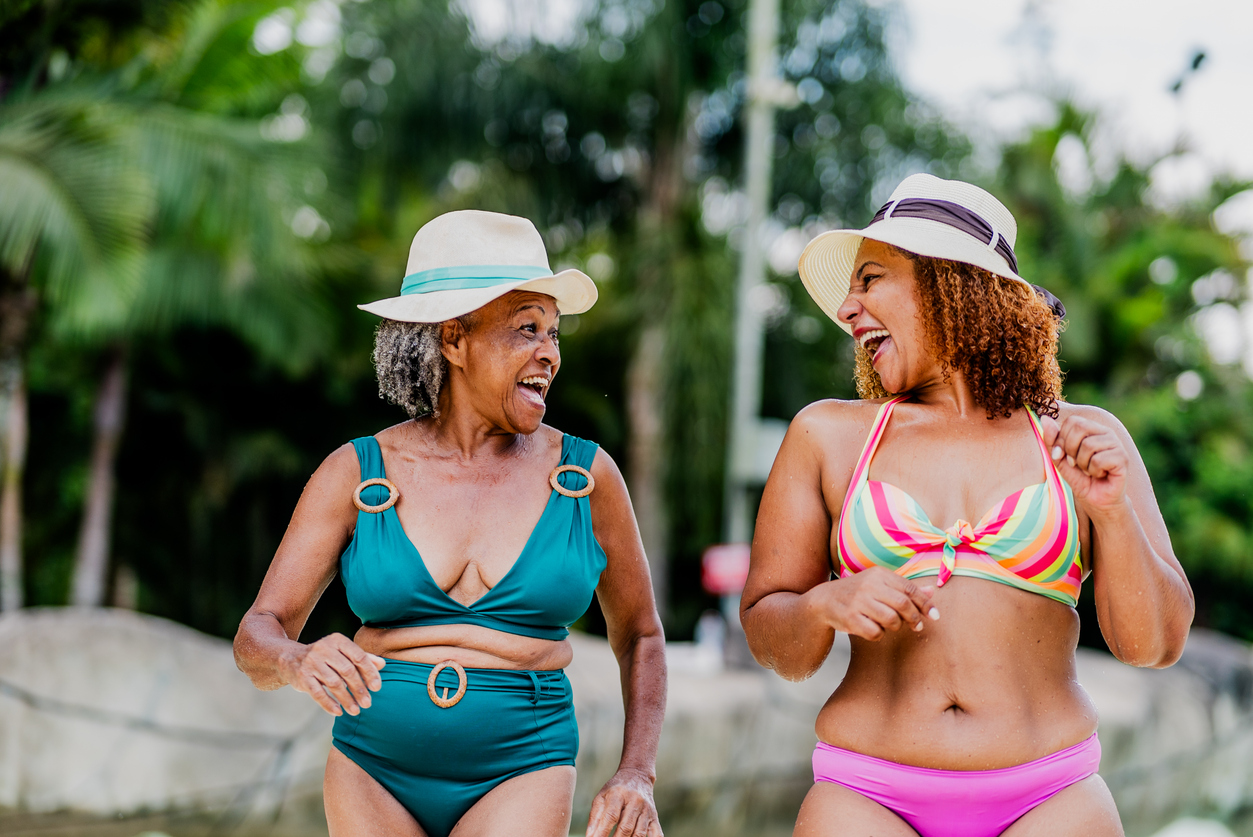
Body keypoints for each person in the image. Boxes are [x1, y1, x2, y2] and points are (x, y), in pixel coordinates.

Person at [740, 174, 1193, 837]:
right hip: (866, 793)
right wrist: (821, 604)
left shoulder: (1079, 441)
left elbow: (1153, 644)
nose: (846, 307)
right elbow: (776, 641)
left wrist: (1112, 512)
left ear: (949, 283)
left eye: (868, 279)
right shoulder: (826, 436)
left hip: (1049, 795)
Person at [234, 210, 667, 837]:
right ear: (454, 340)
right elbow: (257, 634)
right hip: (370, 768)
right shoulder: (357, 472)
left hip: (525, 765)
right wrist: (297, 661)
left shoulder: (586, 477)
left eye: (553, 332)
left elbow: (643, 637)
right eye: (526, 329)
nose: (550, 354)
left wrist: (637, 772)